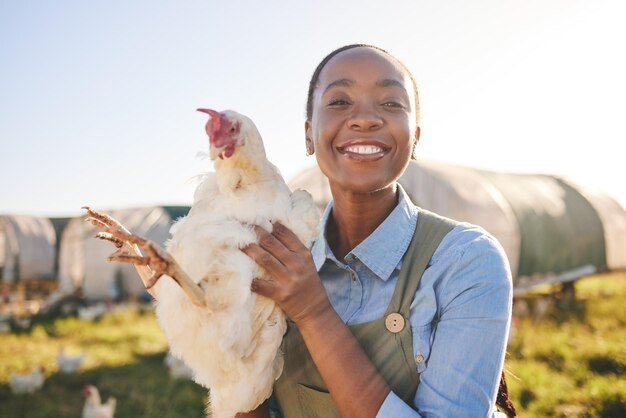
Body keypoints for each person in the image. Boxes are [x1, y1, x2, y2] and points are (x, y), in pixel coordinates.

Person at [239, 44, 514, 418]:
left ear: (414, 135)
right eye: (339, 101)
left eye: (390, 103)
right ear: (309, 134)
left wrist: (313, 312)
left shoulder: (465, 260)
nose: (365, 119)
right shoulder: (279, 259)